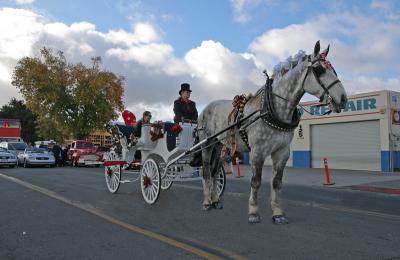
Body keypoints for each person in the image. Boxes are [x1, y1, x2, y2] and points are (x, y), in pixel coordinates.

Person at [173, 83, 201, 167]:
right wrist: (183, 119)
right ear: (182, 93)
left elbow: (195, 113)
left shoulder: (193, 103)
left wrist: (193, 120)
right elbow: (177, 112)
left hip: (191, 123)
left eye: (189, 92)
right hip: (181, 123)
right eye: (187, 92)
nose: (189, 94)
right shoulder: (177, 102)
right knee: (183, 129)